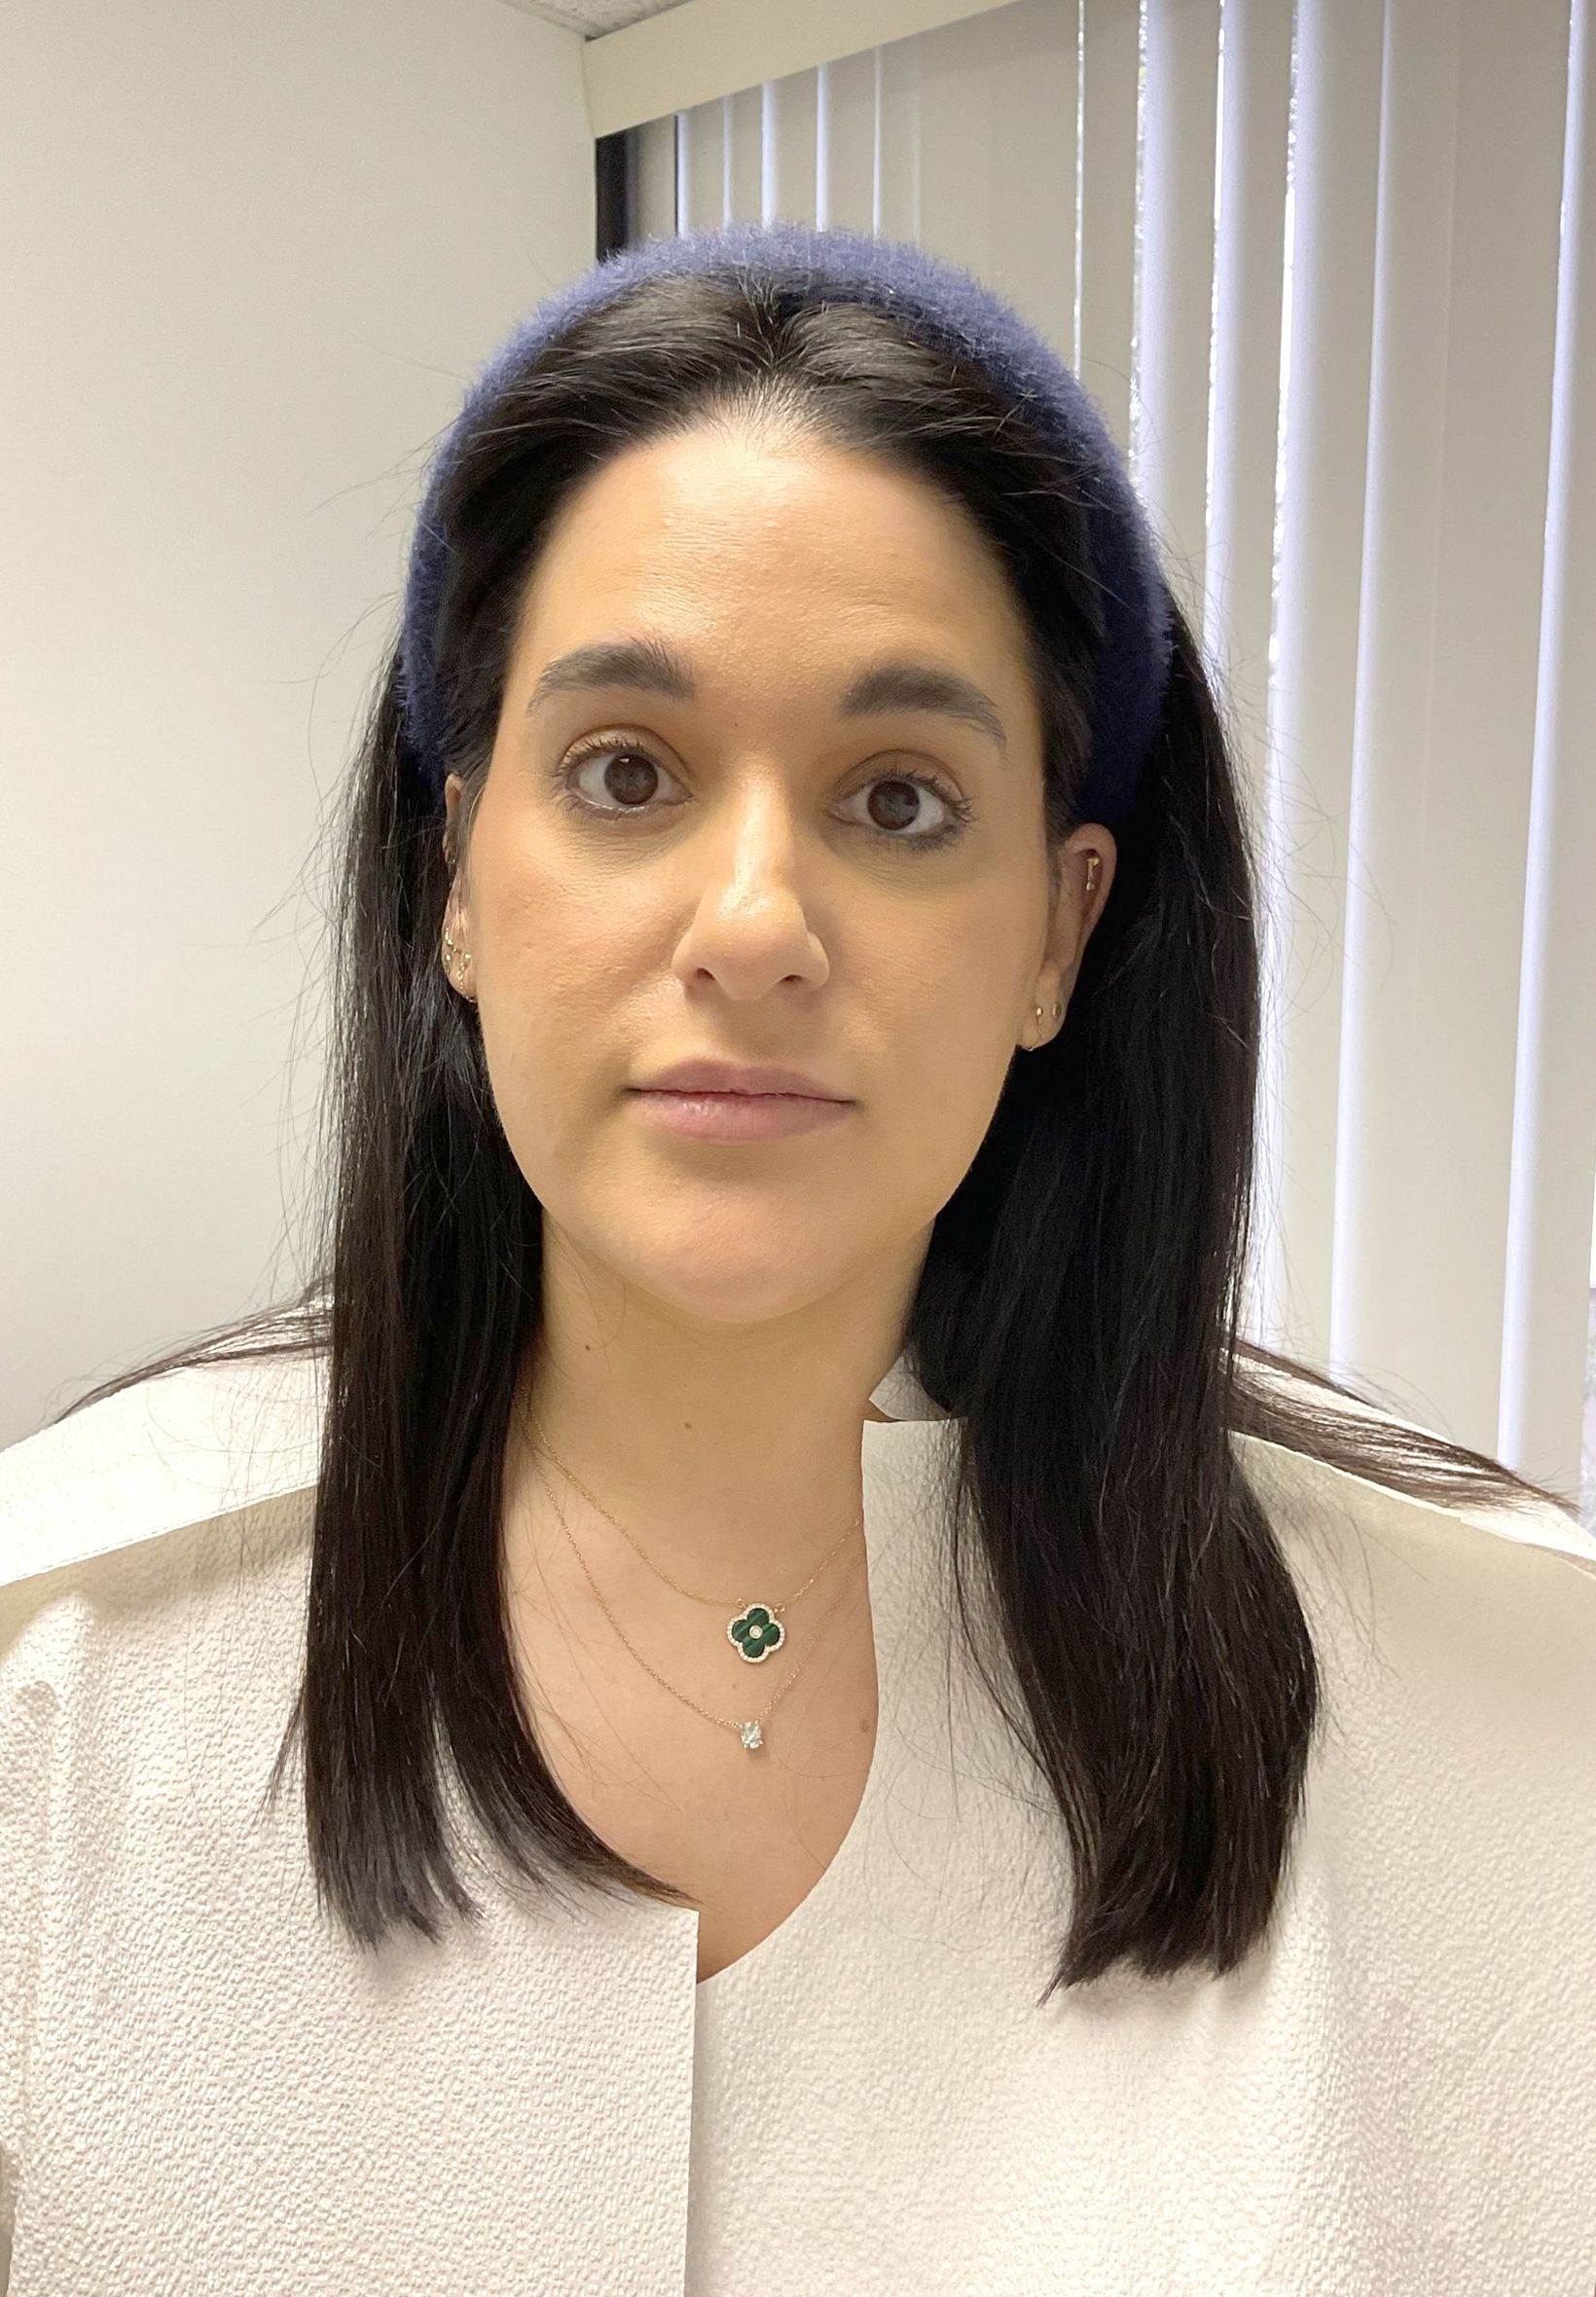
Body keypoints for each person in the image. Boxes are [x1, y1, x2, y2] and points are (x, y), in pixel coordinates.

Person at [2, 221, 1592, 2295]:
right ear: (455, 878)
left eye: (902, 799)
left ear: (1060, 926)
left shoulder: (1517, 1738)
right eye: (627, 774)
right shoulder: (57, 1692)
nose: (751, 920)